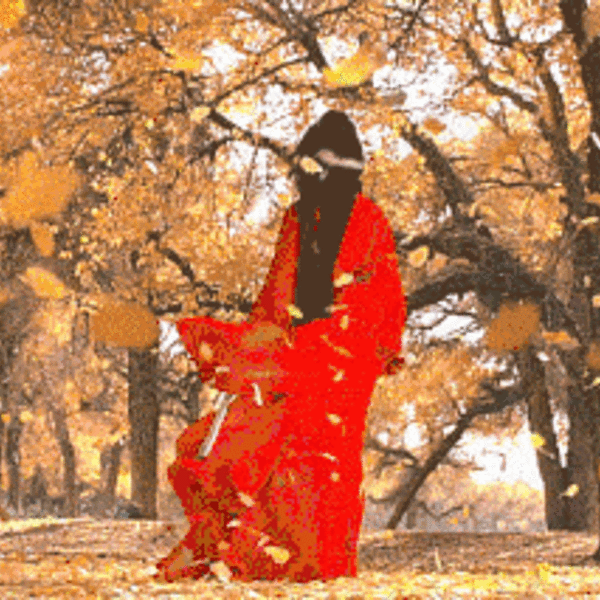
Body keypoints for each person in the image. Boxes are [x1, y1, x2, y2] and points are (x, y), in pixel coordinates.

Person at [155, 110, 406, 583]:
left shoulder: (364, 218)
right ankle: (289, 562)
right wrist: (262, 351)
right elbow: (280, 294)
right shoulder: (307, 217)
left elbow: (379, 294)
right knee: (294, 453)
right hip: (317, 355)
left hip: (339, 359)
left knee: (319, 458)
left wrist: (360, 347)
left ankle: (310, 563)